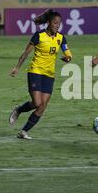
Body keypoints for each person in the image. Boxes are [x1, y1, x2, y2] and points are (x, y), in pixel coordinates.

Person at [9, 9, 72, 140]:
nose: (57, 25)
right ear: (48, 23)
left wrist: (68, 58)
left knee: (42, 106)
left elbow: (67, 52)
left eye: (59, 23)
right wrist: (17, 67)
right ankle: (19, 109)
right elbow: (26, 53)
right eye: (55, 23)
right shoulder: (39, 35)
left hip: (49, 74)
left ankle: (24, 131)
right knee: (37, 103)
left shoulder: (60, 37)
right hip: (36, 71)